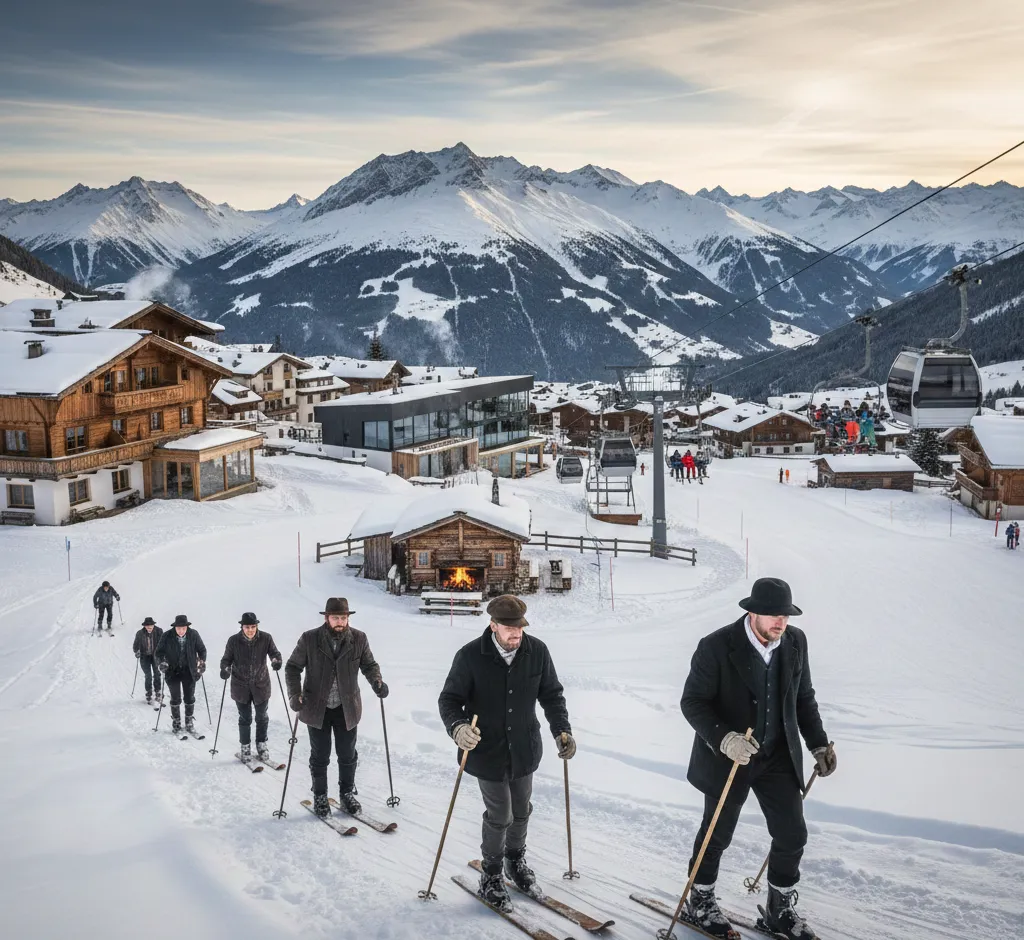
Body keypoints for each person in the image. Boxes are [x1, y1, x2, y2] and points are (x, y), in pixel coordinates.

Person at [679, 578, 834, 940]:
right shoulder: (716, 646)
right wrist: (724, 738)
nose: (781, 622)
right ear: (752, 612)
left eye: (785, 615)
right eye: (773, 615)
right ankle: (700, 899)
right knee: (717, 833)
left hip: (777, 755)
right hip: (729, 758)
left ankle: (779, 909)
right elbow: (692, 702)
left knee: (793, 833)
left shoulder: (795, 642)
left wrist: (818, 744)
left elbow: (803, 698)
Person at [438, 595, 574, 913]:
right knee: (501, 814)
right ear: (493, 625)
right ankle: (491, 875)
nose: (516, 635)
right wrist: (458, 727)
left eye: (520, 629)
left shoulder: (536, 651)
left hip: (524, 747)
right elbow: (448, 700)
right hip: (486, 750)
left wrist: (562, 730)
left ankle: (515, 861)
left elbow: (552, 695)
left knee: (523, 810)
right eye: (509, 629)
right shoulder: (470, 655)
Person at [285, 597, 388, 818]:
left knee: (347, 754)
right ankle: (320, 796)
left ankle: (347, 793)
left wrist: (377, 682)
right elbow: (292, 667)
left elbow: (369, 665)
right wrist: (295, 694)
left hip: (347, 707)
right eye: (335, 617)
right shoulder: (310, 639)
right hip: (316, 707)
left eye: (343, 617)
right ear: (326, 618)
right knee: (320, 755)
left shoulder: (359, 639)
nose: (340, 621)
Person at [220, 612, 283, 763]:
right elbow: (226, 659)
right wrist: (225, 669)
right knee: (245, 718)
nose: (250, 630)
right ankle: (245, 747)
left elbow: (275, 653)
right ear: (242, 627)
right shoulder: (233, 641)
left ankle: (261, 744)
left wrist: (276, 661)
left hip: (261, 685)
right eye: (247, 627)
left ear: (257, 626)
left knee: (262, 717)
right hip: (240, 686)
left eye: (253, 626)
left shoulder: (266, 638)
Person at [156, 615, 207, 735]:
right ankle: (176, 723)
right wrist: (161, 662)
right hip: (172, 671)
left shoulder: (193, 634)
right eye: (179, 628)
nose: (181, 631)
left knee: (189, 697)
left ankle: (189, 723)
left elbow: (202, 650)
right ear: (175, 627)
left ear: (187, 627)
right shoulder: (167, 635)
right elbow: (158, 652)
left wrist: (201, 662)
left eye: (183, 628)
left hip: (189, 671)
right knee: (175, 698)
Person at [133, 617, 164, 704]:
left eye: (151, 626)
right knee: (148, 675)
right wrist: (137, 651)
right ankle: (148, 692)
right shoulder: (140, 633)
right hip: (144, 657)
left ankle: (158, 691)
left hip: (156, 657)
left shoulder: (159, 631)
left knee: (157, 674)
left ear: (154, 625)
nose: (149, 628)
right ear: (145, 626)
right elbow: (135, 645)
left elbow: (163, 644)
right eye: (147, 626)